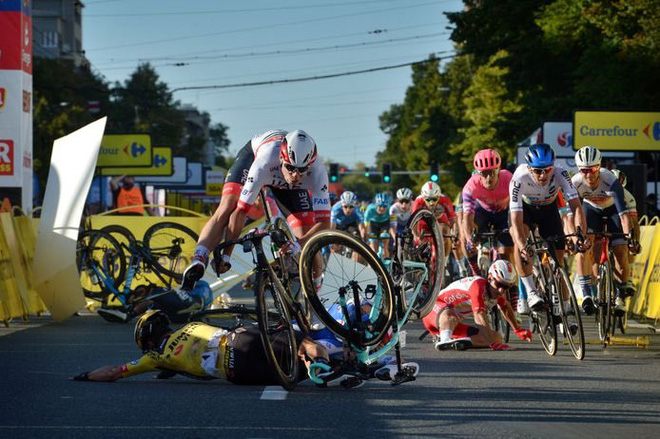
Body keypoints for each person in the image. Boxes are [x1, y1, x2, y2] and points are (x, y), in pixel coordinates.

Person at [181, 130, 331, 290]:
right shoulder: (263, 163)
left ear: (310, 165)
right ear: (282, 158)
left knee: (307, 234)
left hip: (287, 185)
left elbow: (324, 223)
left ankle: (316, 288)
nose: (295, 175)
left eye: (302, 170)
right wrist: (226, 255)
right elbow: (240, 212)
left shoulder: (317, 171)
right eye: (290, 168)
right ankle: (200, 257)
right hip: (255, 157)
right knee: (228, 205)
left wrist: (298, 244)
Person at [73, 309, 329, 386]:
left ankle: (326, 371)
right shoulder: (191, 325)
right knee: (303, 342)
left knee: (296, 375)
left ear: (148, 341)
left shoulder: (155, 357)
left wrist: (85, 375)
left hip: (235, 373)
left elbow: (113, 373)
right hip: (239, 340)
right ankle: (341, 359)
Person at [508, 143, 589, 311]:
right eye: (538, 171)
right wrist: (523, 246)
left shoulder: (561, 173)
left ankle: (563, 305)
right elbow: (515, 219)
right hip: (526, 210)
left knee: (559, 261)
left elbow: (576, 207)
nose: (543, 175)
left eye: (547, 169)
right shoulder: (519, 178)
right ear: (530, 169)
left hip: (549, 210)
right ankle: (530, 292)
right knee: (520, 242)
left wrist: (581, 233)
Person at [572, 147, 639, 314]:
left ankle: (620, 294)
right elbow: (576, 213)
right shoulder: (575, 183)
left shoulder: (610, 179)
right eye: (584, 170)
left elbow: (624, 215)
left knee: (620, 250)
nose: (589, 174)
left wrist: (629, 238)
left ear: (599, 166)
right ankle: (587, 294)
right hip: (590, 209)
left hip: (613, 211)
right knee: (585, 247)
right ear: (579, 170)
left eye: (593, 169)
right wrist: (579, 236)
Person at [422, 260, 532, 351]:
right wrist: (492, 343)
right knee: (451, 314)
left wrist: (517, 329)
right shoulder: (478, 286)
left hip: (452, 324)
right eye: (499, 284)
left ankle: (458, 342)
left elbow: (505, 307)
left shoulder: (495, 291)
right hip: (433, 310)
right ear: (489, 278)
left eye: (506, 287)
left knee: (497, 337)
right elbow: (479, 314)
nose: (501, 290)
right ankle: (444, 339)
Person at [462, 149, 515, 273]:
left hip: (504, 212)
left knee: (506, 253)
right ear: (478, 173)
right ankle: (477, 268)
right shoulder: (471, 186)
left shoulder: (508, 178)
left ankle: (511, 289)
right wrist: (470, 239)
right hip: (483, 212)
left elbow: (517, 207)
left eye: (492, 172)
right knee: (469, 237)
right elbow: (467, 216)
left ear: (498, 170)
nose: (489, 178)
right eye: (484, 173)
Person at [411, 181, 456, 264]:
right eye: (428, 200)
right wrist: (416, 235)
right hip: (424, 224)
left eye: (434, 199)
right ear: (423, 197)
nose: (431, 203)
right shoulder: (418, 201)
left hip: (440, 223)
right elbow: (413, 221)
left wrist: (452, 233)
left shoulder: (445, 199)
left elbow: (452, 219)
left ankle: (444, 263)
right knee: (419, 240)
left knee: (446, 232)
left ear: (439, 196)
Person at [363, 193, 393, 258]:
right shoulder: (370, 209)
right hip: (373, 225)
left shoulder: (390, 209)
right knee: (373, 247)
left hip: (385, 224)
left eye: (384, 206)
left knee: (385, 244)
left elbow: (393, 225)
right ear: (376, 205)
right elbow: (366, 225)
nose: (382, 208)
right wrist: (367, 235)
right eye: (380, 206)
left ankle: (386, 262)